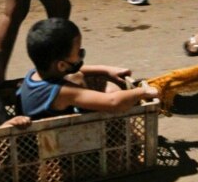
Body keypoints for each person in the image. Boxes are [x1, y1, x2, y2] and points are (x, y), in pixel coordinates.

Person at [19, 18, 159, 118]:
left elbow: (76, 71)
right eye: (79, 52)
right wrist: (142, 91)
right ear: (61, 65)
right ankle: (118, 156)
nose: (81, 56)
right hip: (63, 149)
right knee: (114, 109)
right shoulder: (62, 92)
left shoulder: (35, 74)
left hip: (52, 135)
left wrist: (105, 70)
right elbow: (113, 102)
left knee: (77, 76)